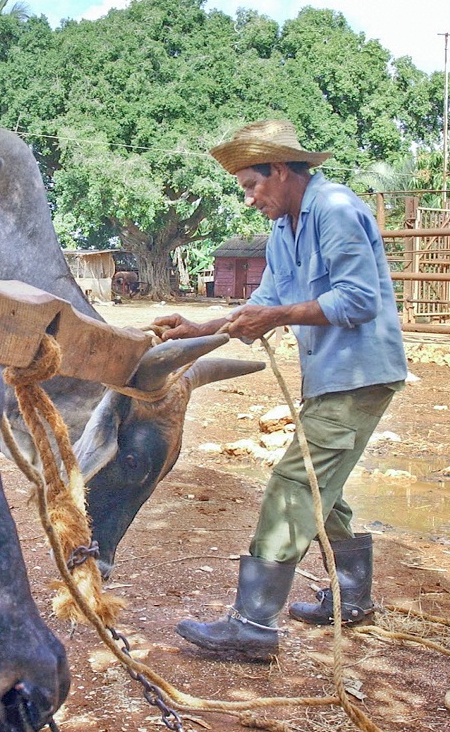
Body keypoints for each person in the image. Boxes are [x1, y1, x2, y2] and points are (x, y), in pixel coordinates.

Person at [154, 119, 407, 662]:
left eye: (252, 185)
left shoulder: (335, 209)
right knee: (321, 487)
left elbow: (359, 300)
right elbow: (264, 303)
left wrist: (280, 314)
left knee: (294, 482)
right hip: (331, 376)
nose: (249, 200)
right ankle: (352, 597)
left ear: (284, 170)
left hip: (358, 374)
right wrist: (200, 330)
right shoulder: (284, 230)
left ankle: (253, 624)